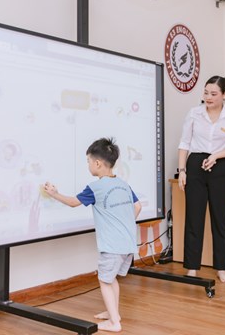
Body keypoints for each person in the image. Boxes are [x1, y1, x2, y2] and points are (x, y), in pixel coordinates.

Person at [43, 137, 141, 333]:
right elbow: (137, 207)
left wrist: (54, 193)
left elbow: (73, 203)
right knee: (112, 279)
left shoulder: (95, 188)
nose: (87, 165)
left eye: (88, 161)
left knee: (104, 281)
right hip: (128, 244)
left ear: (97, 163)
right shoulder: (123, 184)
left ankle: (114, 323)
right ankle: (113, 313)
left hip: (112, 246)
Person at [177, 76, 225, 283]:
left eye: (214, 94)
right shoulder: (194, 113)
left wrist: (216, 156)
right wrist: (182, 171)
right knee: (194, 217)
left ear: (224, 95)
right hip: (196, 165)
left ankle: (221, 268)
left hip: (221, 165)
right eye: (206, 92)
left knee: (220, 218)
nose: (208, 97)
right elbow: (184, 143)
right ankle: (191, 268)